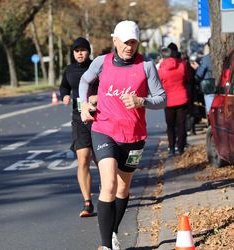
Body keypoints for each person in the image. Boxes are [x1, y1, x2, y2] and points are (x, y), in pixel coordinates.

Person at [79, 20, 166, 250]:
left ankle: (113, 231)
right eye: (125, 42)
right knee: (108, 185)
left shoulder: (146, 66)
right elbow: (85, 80)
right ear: (114, 40)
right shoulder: (102, 62)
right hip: (104, 130)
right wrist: (83, 104)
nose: (129, 46)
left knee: (122, 189)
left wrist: (141, 101)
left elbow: (162, 98)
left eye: (133, 42)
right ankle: (106, 245)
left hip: (134, 137)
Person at [59, 37, 98, 217]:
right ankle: (87, 202)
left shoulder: (96, 67)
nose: (80, 53)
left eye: (83, 50)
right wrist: (65, 96)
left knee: (101, 161)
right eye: (77, 50)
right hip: (79, 118)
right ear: (73, 53)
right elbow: (64, 87)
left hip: (99, 118)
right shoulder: (69, 70)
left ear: (88, 51)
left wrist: (96, 97)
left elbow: (107, 87)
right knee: (83, 159)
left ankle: (109, 195)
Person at [158, 46, 190, 156]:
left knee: (170, 126)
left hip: (169, 101)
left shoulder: (162, 70)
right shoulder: (182, 65)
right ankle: (181, 147)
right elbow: (188, 79)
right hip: (182, 98)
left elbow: (158, 85)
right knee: (181, 125)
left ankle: (171, 148)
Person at [190, 38, 213, 115]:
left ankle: (211, 123)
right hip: (224, 88)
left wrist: (196, 68)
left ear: (209, 46)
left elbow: (199, 75)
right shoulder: (225, 56)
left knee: (210, 109)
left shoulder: (206, 59)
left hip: (210, 87)